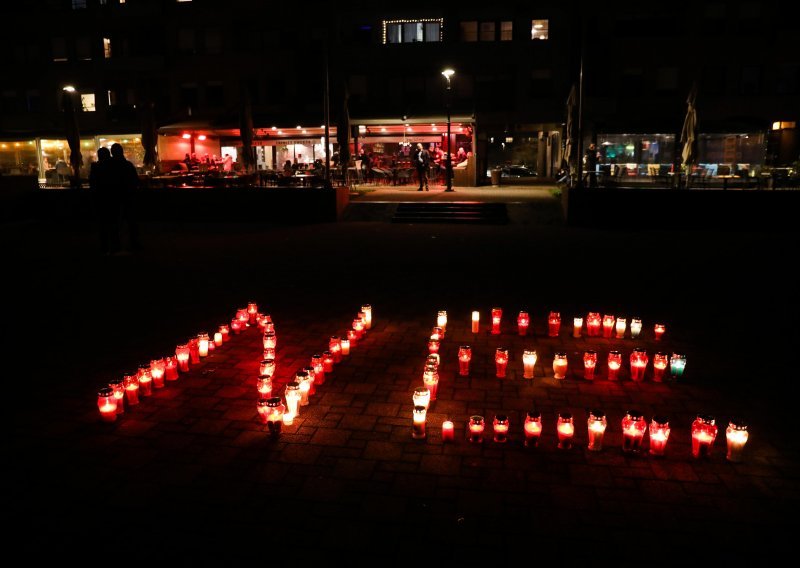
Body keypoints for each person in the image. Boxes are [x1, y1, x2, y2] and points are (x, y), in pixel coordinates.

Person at [108, 143, 141, 252]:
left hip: (113, 198)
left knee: (115, 222)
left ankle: (116, 244)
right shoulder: (128, 165)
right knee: (131, 221)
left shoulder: (109, 166)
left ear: (112, 153)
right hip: (128, 196)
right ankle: (134, 244)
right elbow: (135, 181)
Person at [89, 147, 117, 255]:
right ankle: (114, 246)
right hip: (112, 199)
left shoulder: (96, 167)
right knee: (113, 223)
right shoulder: (113, 166)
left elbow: (93, 183)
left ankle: (104, 247)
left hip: (100, 200)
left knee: (103, 225)